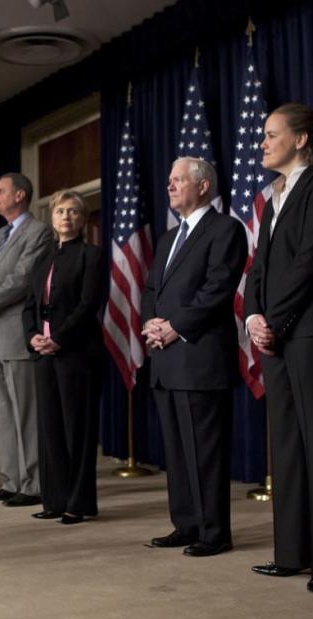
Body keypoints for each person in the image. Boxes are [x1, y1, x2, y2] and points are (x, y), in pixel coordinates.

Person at [244, 103, 313, 592]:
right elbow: (259, 268)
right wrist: (252, 315)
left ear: (303, 138)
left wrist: (275, 319)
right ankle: (291, 553)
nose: (263, 143)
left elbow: (312, 262)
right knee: (286, 445)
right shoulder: (274, 197)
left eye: (272, 134)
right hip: (277, 332)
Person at [140, 157, 247, 557]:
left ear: (203, 186)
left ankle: (214, 532)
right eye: (168, 180)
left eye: (178, 180)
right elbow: (151, 289)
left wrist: (175, 326)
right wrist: (151, 322)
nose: (169, 186)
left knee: (204, 452)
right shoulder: (168, 238)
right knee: (178, 451)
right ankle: (185, 524)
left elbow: (218, 288)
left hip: (198, 357)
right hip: (165, 359)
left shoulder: (226, 229)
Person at [0, 173, 53, 507]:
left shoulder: (38, 232)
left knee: (25, 414)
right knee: (1, 414)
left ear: (20, 195)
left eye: (0, 191)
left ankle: (32, 484)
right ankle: (12, 479)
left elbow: (22, 281)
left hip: (15, 336)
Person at [22, 190, 103, 525]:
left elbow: (88, 305)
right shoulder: (43, 259)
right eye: (60, 212)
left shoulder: (90, 255)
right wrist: (33, 337)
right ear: (51, 218)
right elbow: (29, 306)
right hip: (43, 354)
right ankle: (54, 499)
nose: (66, 217)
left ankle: (78, 502)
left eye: (73, 212)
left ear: (82, 219)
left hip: (76, 354)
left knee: (77, 429)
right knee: (50, 428)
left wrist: (58, 338)